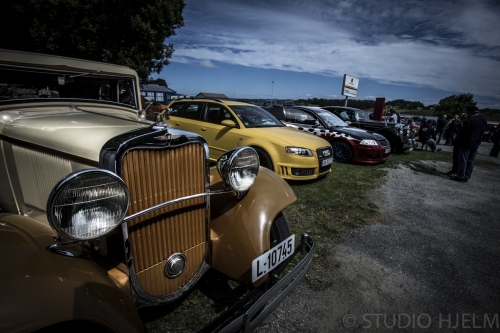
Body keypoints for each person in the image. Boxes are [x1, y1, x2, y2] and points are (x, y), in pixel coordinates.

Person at [450, 106, 488, 182]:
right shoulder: (483, 120)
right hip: (476, 142)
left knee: (463, 160)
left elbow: (464, 131)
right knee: (470, 160)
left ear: (470, 112)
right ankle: (467, 176)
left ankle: (460, 176)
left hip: (467, 142)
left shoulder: (470, 120)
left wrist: (459, 135)